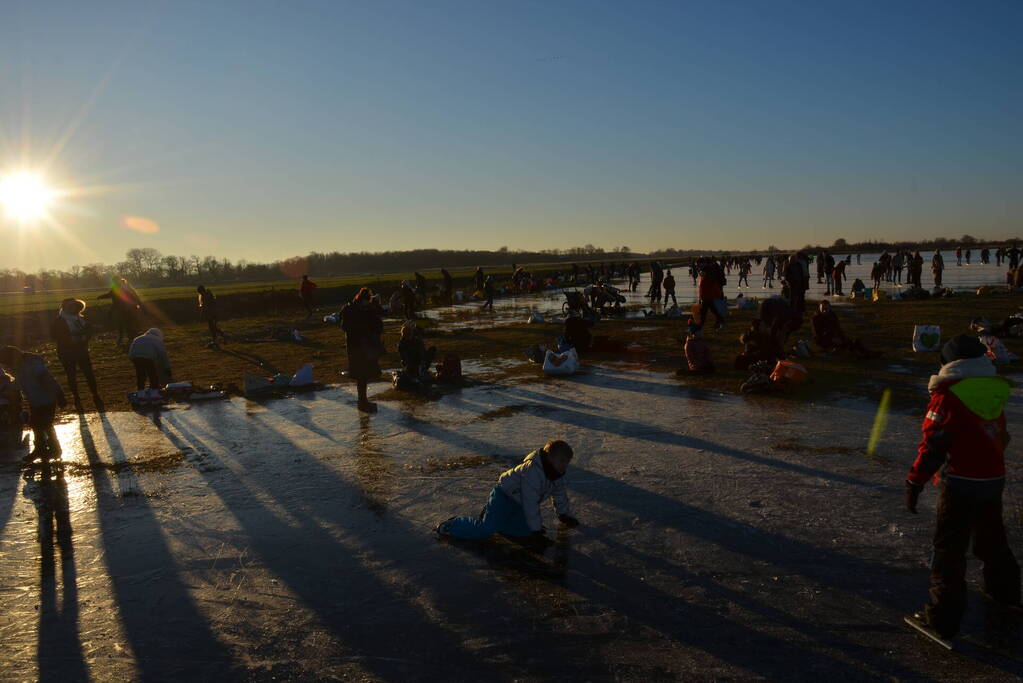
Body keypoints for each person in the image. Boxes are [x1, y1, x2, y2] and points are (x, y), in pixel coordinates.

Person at [904, 335, 1021, 640]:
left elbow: (933, 446)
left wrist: (915, 481)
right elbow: (1002, 437)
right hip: (992, 479)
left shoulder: (948, 396)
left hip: (960, 482)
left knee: (949, 552)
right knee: (991, 541)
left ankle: (941, 619)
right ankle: (1006, 594)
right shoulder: (994, 391)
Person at [436, 440, 578, 550]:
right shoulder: (533, 471)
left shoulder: (557, 474)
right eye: (562, 460)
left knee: (524, 533)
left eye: (567, 462)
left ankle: (499, 520)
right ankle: (453, 524)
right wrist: (536, 531)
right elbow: (530, 502)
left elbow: (560, 494)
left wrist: (563, 514)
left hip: (519, 503)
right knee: (485, 531)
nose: (565, 465)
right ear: (550, 457)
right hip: (504, 495)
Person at [0, 345, 67, 461]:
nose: (7, 367)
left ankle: (54, 449)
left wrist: (59, 394)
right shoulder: (21, 367)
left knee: (45, 425)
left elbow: (48, 379)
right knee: (37, 425)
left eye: (7, 363)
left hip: (46, 400)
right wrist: (8, 389)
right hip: (35, 401)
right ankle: (42, 450)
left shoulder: (33, 365)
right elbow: (20, 383)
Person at [50, 298, 101, 410]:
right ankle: (76, 397)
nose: (75, 308)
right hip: (67, 351)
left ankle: (95, 394)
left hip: (81, 349)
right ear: (66, 308)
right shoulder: (60, 320)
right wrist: (72, 335)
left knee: (89, 373)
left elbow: (89, 331)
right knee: (71, 374)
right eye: (72, 306)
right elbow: (54, 335)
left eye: (76, 306)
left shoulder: (81, 319)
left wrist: (87, 334)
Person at [341, 287, 384, 412]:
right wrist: (364, 329)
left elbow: (377, 324)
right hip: (356, 347)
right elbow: (346, 327)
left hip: (363, 346)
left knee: (364, 375)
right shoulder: (350, 310)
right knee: (361, 375)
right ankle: (362, 401)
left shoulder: (364, 310)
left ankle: (363, 401)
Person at [810, 301, 878, 359]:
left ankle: (864, 352)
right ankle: (860, 353)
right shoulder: (815, 318)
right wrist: (831, 339)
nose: (825, 311)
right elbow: (817, 334)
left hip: (833, 336)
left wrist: (841, 337)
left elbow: (838, 328)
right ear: (819, 308)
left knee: (849, 341)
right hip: (822, 340)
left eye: (827, 309)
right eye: (823, 309)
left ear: (830, 308)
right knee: (845, 344)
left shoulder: (832, 315)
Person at [97, 277, 141, 346]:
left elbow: (133, 297)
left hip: (125, 309)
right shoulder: (120, 288)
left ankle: (127, 339)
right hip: (123, 309)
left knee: (125, 325)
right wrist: (101, 297)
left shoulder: (123, 288)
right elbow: (110, 295)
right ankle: (127, 339)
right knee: (124, 324)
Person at [128, 328, 172, 392]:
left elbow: (131, 349)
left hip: (135, 357)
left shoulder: (138, 338)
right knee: (152, 372)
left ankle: (140, 389)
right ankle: (154, 388)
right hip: (148, 357)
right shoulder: (157, 340)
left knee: (140, 373)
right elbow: (163, 355)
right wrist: (167, 368)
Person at [697, 264, 725, 329]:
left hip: (708, 298)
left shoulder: (709, 279)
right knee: (709, 311)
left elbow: (715, 288)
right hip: (705, 298)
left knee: (707, 312)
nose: (701, 273)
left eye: (702, 272)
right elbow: (701, 290)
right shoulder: (703, 279)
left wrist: (718, 295)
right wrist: (700, 298)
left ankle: (701, 324)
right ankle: (719, 321)